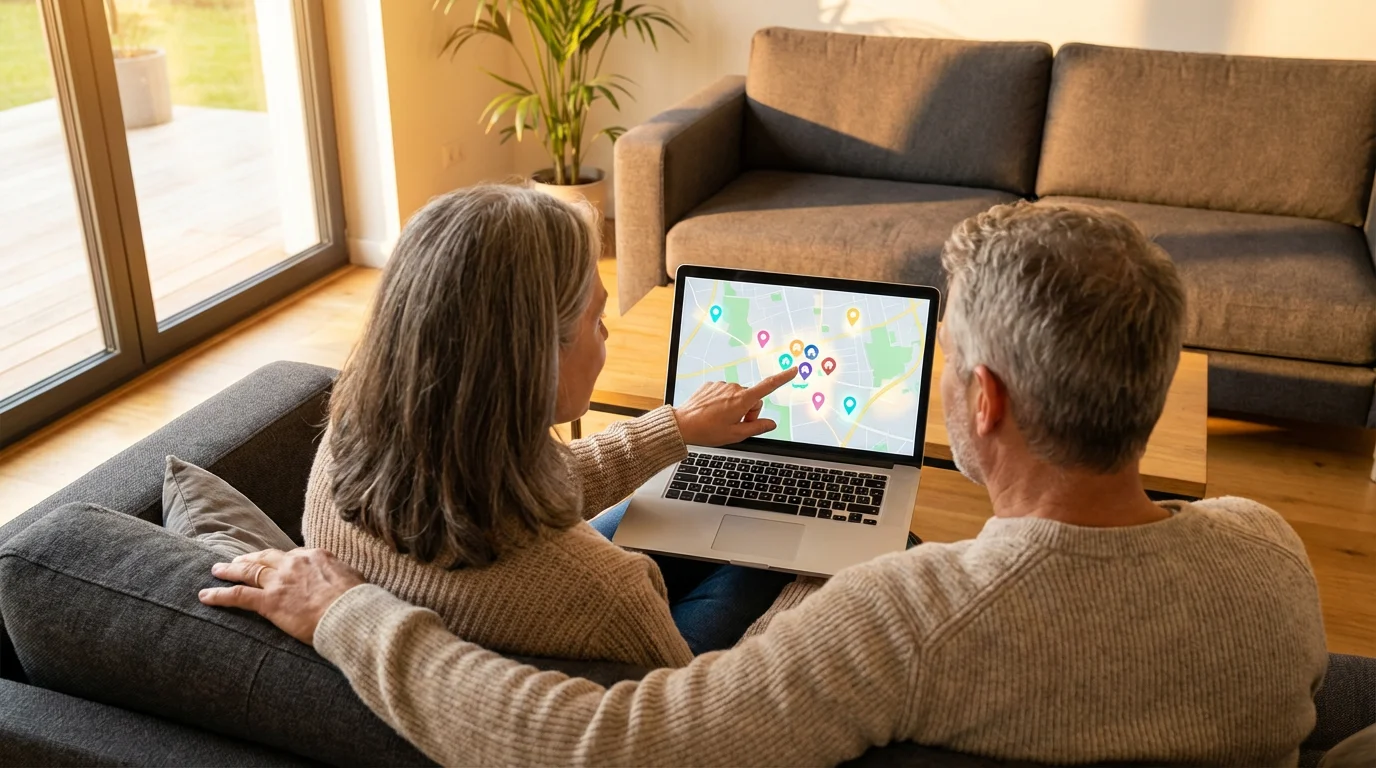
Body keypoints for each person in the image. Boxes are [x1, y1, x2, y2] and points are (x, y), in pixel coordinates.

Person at [202, 202, 1328, 767]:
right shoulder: (1268, 554)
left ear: (979, 402)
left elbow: (599, 746)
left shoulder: (894, 623)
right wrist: (680, 435)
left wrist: (351, 616)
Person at [295, 183, 795, 669]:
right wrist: (807, 592)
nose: (606, 331)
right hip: (653, 655)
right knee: (767, 552)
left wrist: (676, 427)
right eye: (596, 316)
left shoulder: (344, 444)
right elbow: (683, 710)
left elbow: (530, 484)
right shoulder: (606, 593)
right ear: (536, 359)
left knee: (703, 509)